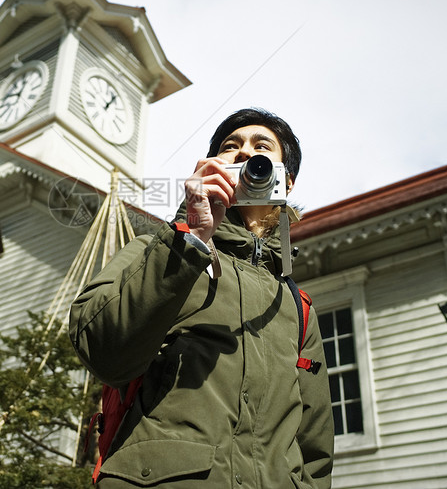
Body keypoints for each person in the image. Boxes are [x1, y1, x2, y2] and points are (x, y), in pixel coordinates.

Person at [69, 108, 334, 488]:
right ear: (211, 167)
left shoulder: (296, 306)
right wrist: (188, 237)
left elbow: (316, 447)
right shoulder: (156, 252)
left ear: (286, 182)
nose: (243, 153)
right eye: (230, 146)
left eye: (261, 147)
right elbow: (102, 351)